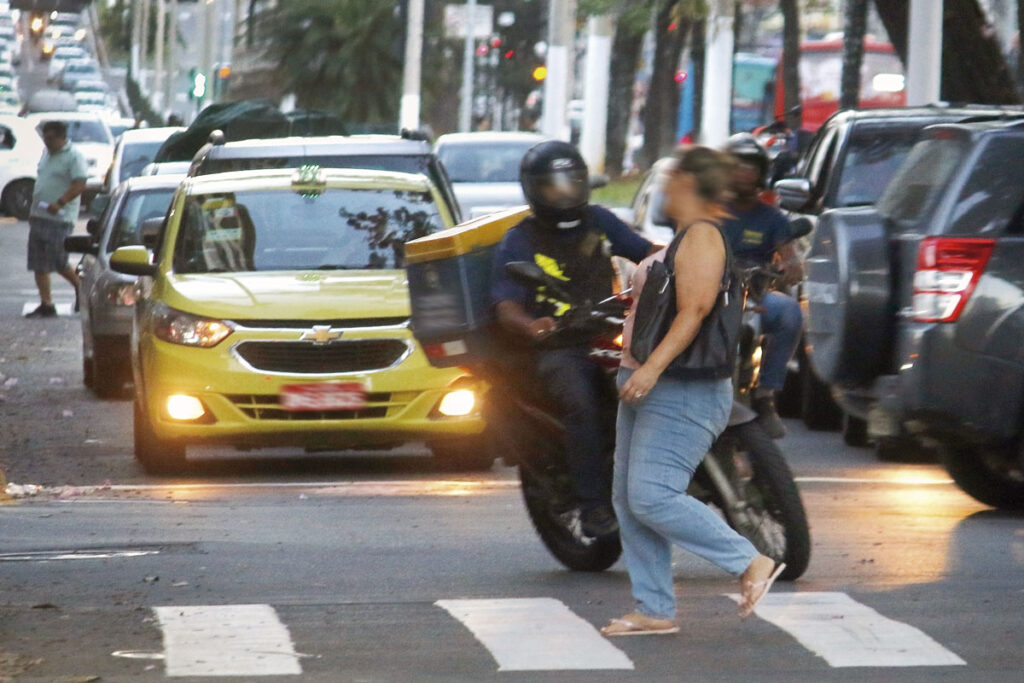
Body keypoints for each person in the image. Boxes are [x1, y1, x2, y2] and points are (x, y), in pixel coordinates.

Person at [601, 146, 783, 637]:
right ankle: (654, 608)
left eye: (668, 177)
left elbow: (695, 311)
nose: (662, 188)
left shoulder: (702, 237)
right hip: (648, 381)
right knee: (627, 498)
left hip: (679, 388)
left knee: (653, 496)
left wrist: (650, 370)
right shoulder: (682, 239)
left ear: (685, 182)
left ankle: (749, 561)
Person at [490, 140, 654, 537]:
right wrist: (532, 326)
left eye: (571, 183)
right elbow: (505, 303)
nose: (564, 194)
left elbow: (647, 252)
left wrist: (685, 261)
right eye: (552, 186)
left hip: (611, 328)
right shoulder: (520, 239)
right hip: (562, 345)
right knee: (580, 402)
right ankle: (594, 507)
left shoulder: (599, 220)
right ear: (534, 189)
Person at [722, 133, 804, 438]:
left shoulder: (773, 218)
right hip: (708, 301)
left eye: (751, 167)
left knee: (789, 312)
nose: (745, 173)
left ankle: (766, 394)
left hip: (753, 298)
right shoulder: (706, 212)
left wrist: (789, 268)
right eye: (737, 166)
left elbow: (791, 259)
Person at [25, 120, 87, 318]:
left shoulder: (73, 156)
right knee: (38, 262)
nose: (47, 142)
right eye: (45, 138)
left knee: (58, 260)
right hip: (39, 214)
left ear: (61, 137)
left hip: (60, 217)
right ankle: (46, 303)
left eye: (51, 138)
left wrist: (60, 203)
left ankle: (80, 287)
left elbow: (79, 184)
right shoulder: (46, 154)